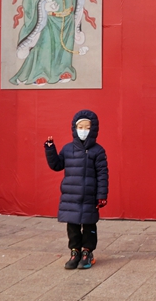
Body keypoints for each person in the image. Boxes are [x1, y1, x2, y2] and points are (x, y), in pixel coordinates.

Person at [44, 109, 108, 269]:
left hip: (89, 196)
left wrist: (101, 195)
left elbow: (102, 174)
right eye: (81, 127)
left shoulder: (98, 151)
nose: (84, 131)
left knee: (89, 225)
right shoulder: (67, 149)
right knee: (72, 226)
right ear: (74, 128)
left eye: (87, 127)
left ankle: (87, 252)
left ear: (93, 129)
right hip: (70, 196)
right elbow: (57, 165)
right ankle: (75, 252)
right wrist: (50, 150)